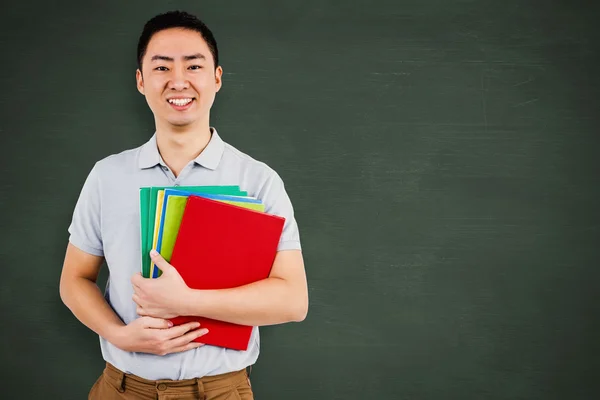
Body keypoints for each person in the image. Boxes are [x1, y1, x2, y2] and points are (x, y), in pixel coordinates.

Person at [59, 10, 308, 400]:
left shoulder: (258, 180)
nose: (179, 81)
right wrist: (120, 334)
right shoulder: (107, 176)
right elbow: (74, 280)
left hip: (222, 391)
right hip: (122, 388)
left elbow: (293, 301)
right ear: (141, 81)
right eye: (161, 67)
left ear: (217, 78)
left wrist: (185, 301)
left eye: (193, 65)